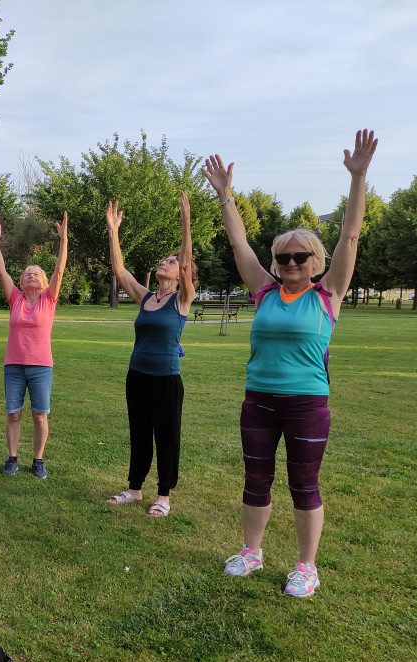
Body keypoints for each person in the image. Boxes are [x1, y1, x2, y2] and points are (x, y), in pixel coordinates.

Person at [203, 129, 378, 597]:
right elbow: (240, 244)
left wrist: (358, 178)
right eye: (283, 256)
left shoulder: (329, 295)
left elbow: (351, 233)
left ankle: (306, 566)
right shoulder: (264, 290)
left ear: (316, 261)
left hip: (307, 403)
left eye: (300, 256)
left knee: (304, 483)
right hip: (258, 400)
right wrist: (226, 197)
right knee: (256, 478)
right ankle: (251, 551)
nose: (291, 262)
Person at [105, 193, 196, 517]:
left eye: (171, 262)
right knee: (139, 432)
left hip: (166, 379)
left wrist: (186, 220)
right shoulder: (145, 298)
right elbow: (120, 270)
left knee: (167, 436)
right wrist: (113, 230)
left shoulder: (183, 298)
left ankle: (164, 496)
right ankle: (134, 489)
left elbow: (186, 262)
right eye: (165, 260)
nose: (166, 263)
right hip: (138, 375)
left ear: (180, 273)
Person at [0, 211, 69, 479]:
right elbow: (0, 270)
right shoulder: (15, 299)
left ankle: (38, 460)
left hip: (41, 367)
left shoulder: (49, 300)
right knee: (13, 415)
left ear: (45, 283)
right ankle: (12, 457)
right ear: (21, 282)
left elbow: (60, 268)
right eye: (27, 274)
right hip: (13, 366)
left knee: (39, 416)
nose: (31, 276)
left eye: (36, 274)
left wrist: (63, 239)